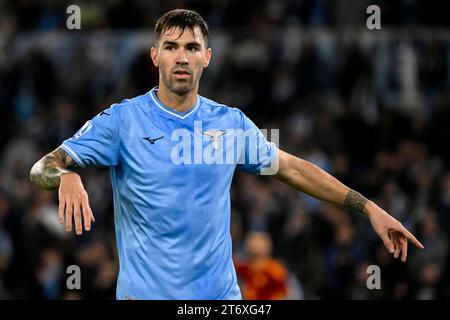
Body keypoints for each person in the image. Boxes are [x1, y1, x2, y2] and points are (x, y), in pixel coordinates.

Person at [29, 9, 424, 300]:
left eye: (191, 47)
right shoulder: (123, 120)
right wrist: (67, 174)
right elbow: (42, 166)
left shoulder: (230, 124)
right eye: (171, 47)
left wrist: (367, 206)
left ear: (208, 57)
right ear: (155, 56)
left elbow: (292, 169)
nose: (181, 57)